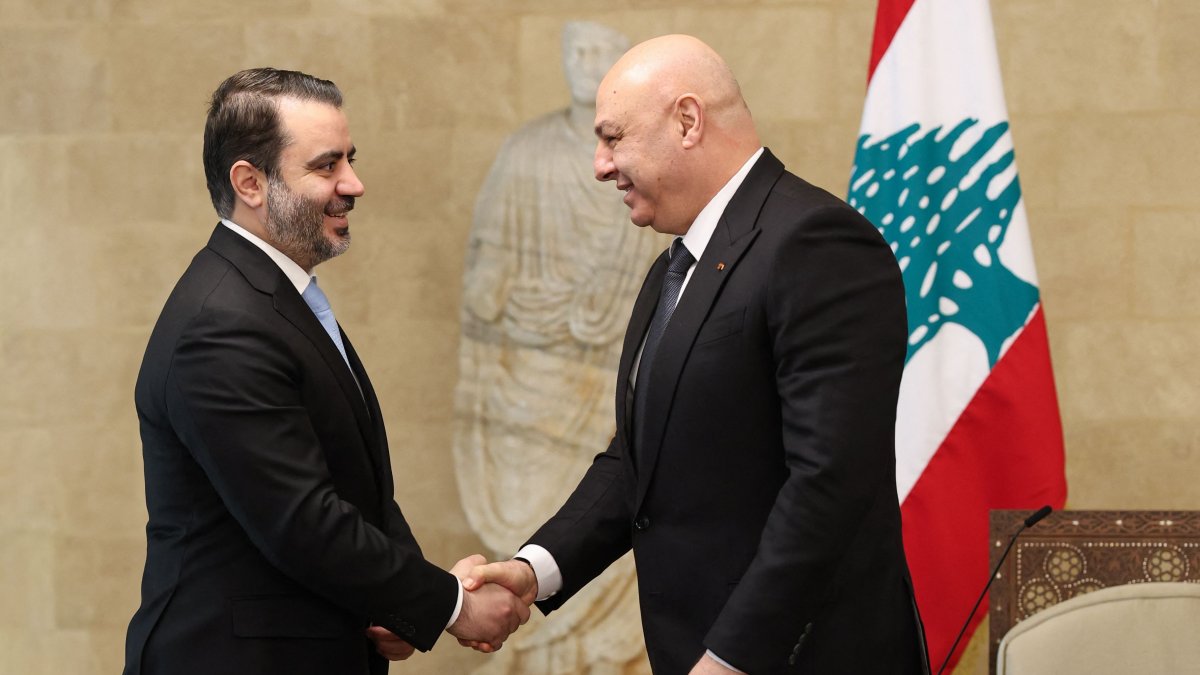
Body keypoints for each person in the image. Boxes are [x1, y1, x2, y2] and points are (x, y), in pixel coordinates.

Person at [462, 35, 931, 674]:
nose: (599, 165)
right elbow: (639, 458)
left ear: (687, 121)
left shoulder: (817, 243)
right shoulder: (674, 268)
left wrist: (732, 658)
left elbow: (829, 483)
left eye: (613, 137)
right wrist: (533, 571)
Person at [122, 68, 526, 675]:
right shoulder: (222, 325)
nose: (353, 184)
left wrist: (399, 604)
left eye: (349, 160)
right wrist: (449, 606)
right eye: (326, 166)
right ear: (250, 183)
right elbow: (302, 522)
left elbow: (353, 484)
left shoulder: (275, 299)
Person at [453, 21, 661, 673]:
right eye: (575, 50)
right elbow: (487, 264)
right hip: (535, 370)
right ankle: (540, 643)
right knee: (539, 500)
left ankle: (589, 650)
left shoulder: (645, 174)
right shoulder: (528, 151)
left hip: (604, 371)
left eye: (599, 52)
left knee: (614, 485)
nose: (584, 62)